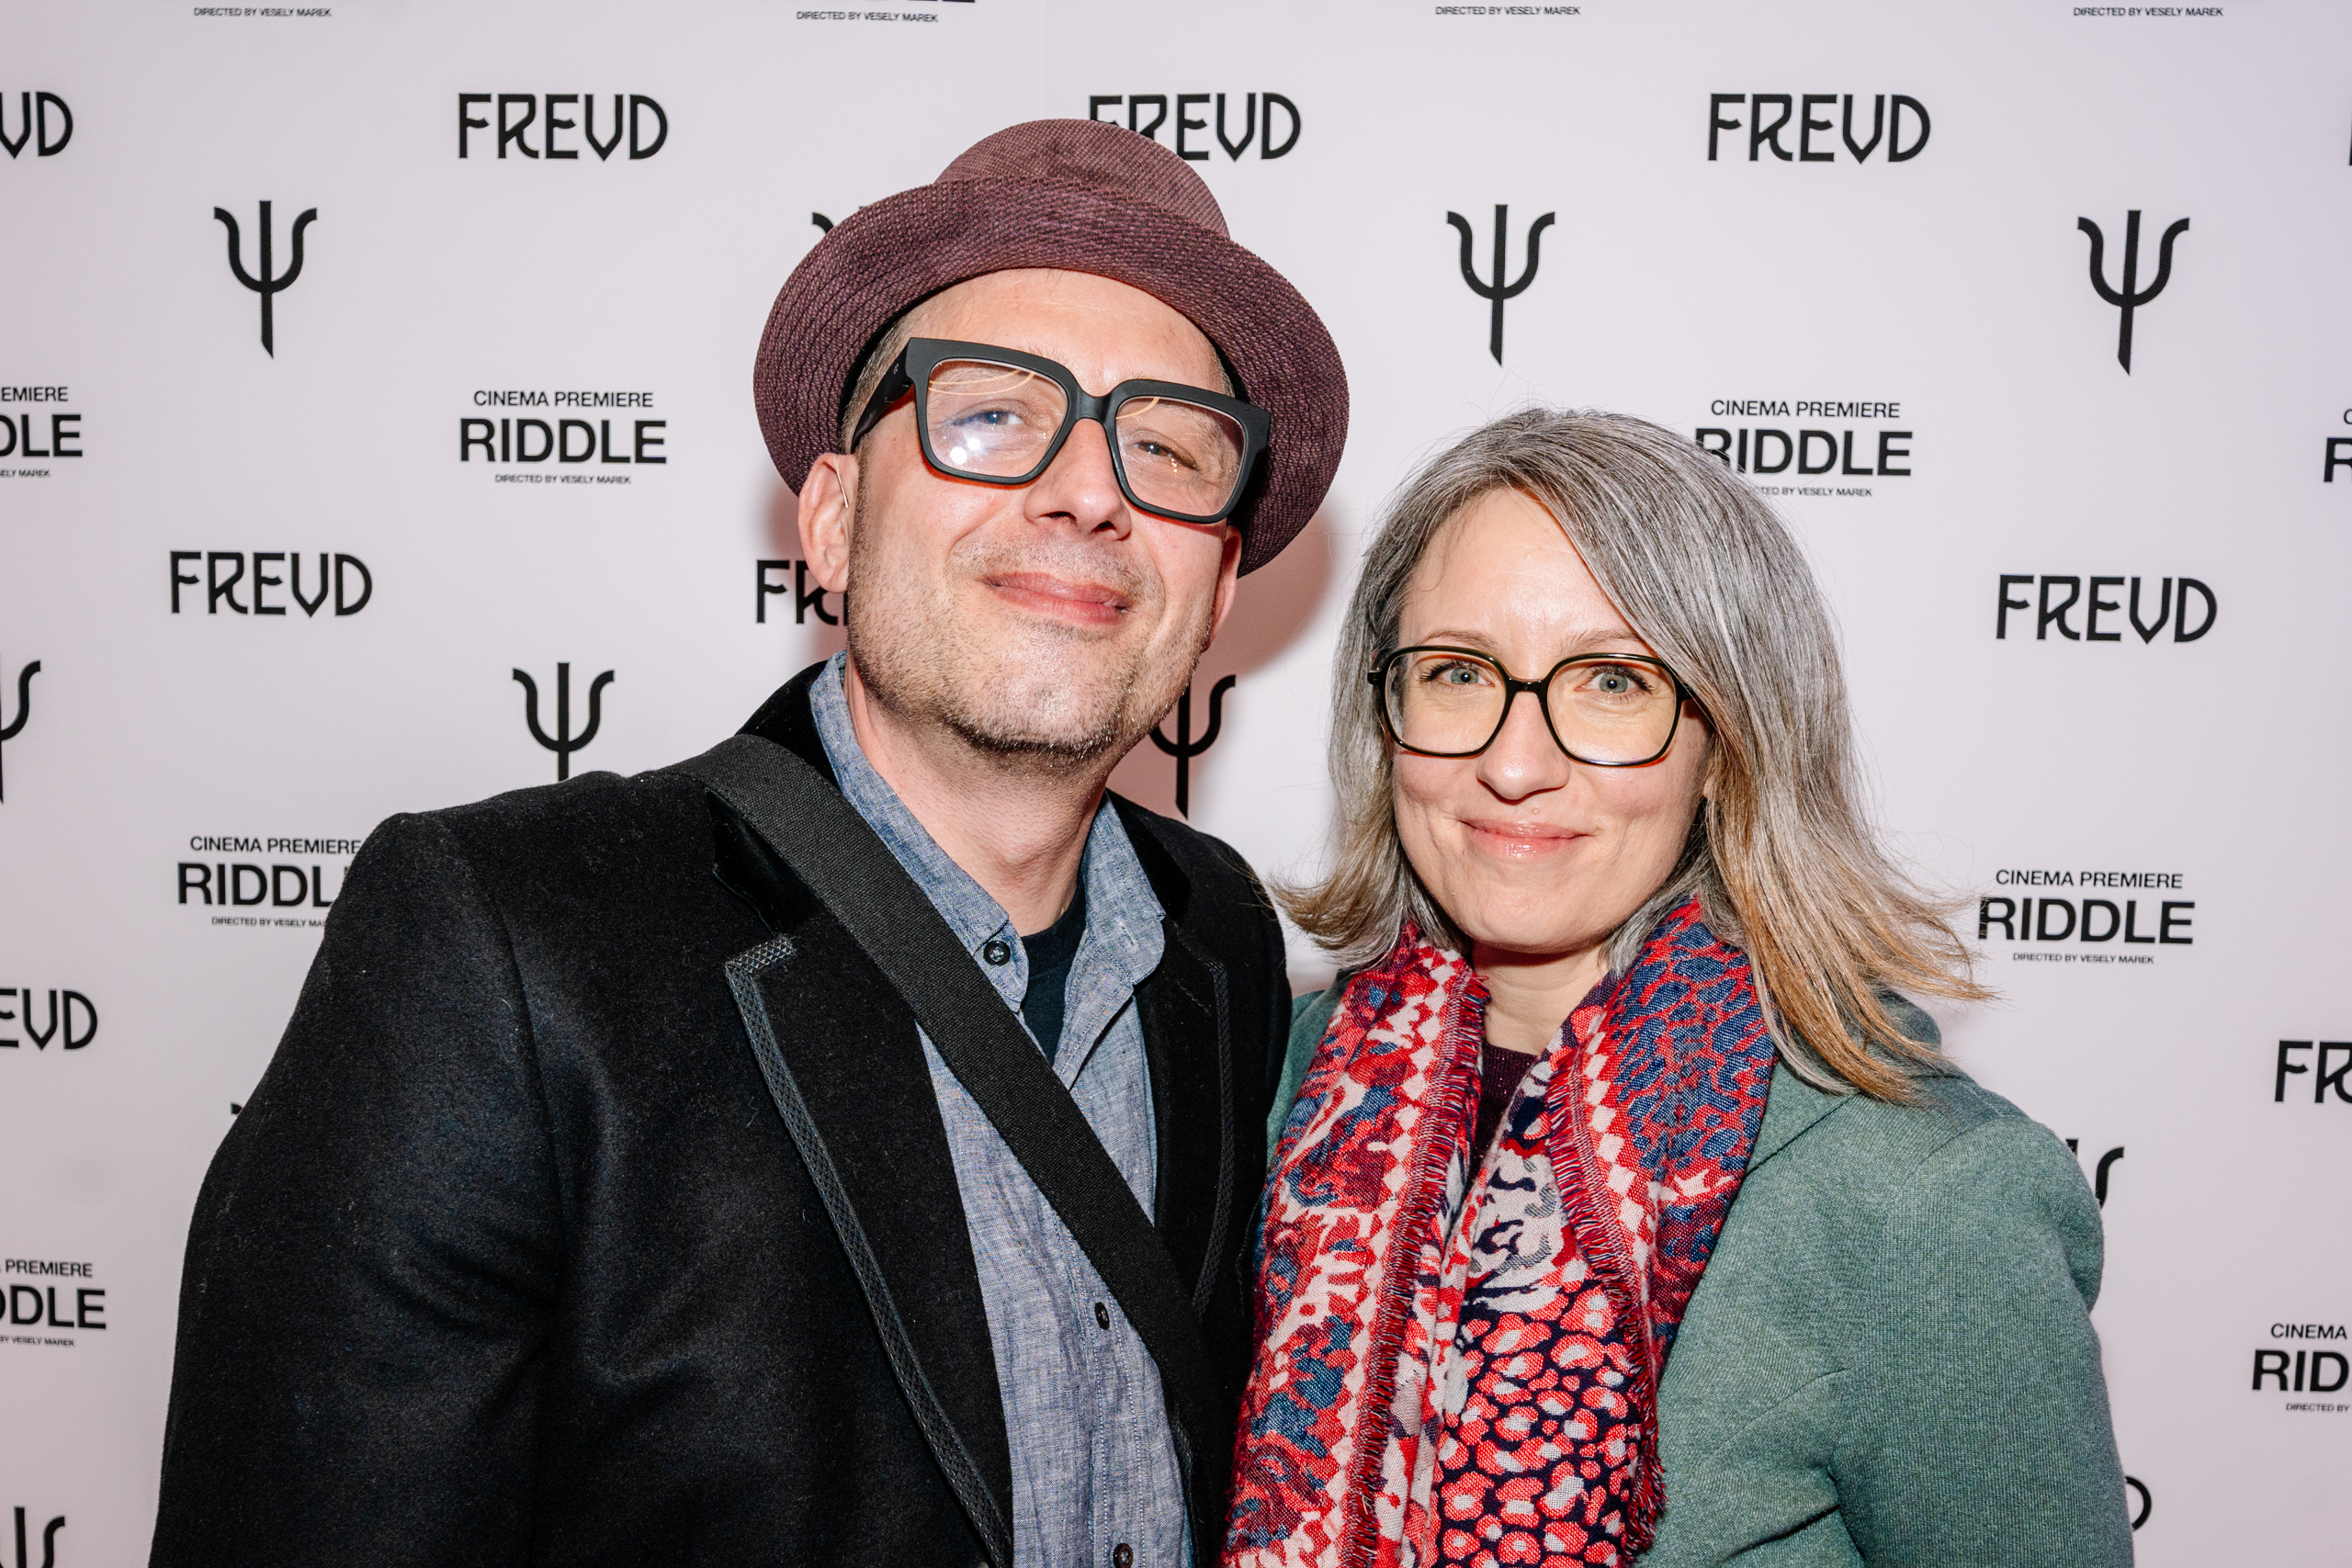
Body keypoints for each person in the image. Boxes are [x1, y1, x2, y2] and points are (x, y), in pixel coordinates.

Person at [150, 119, 1348, 1568]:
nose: (1090, 491)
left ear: (1217, 583)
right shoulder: (503, 947)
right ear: (831, 522)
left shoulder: (1218, 931)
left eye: (1165, 447)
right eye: (990, 413)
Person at [1227, 411, 2130, 1568]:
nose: (1513, 762)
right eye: (1456, 673)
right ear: (1385, 713)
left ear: (1727, 743)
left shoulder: (1927, 1197)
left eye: (1612, 681)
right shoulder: (1285, 1083)